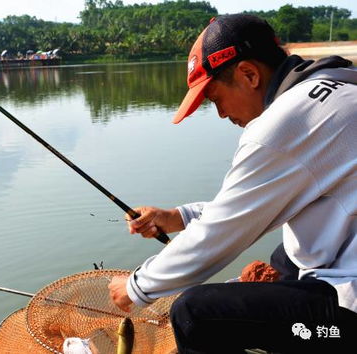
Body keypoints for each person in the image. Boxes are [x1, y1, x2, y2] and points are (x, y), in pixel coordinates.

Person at [108, 14, 357, 353]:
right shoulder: (338, 86)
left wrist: (136, 287)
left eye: (214, 99)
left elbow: (223, 232)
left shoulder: (282, 126)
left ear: (249, 74)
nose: (222, 114)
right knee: (285, 258)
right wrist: (179, 217)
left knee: (195, 314)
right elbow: (254, 207)